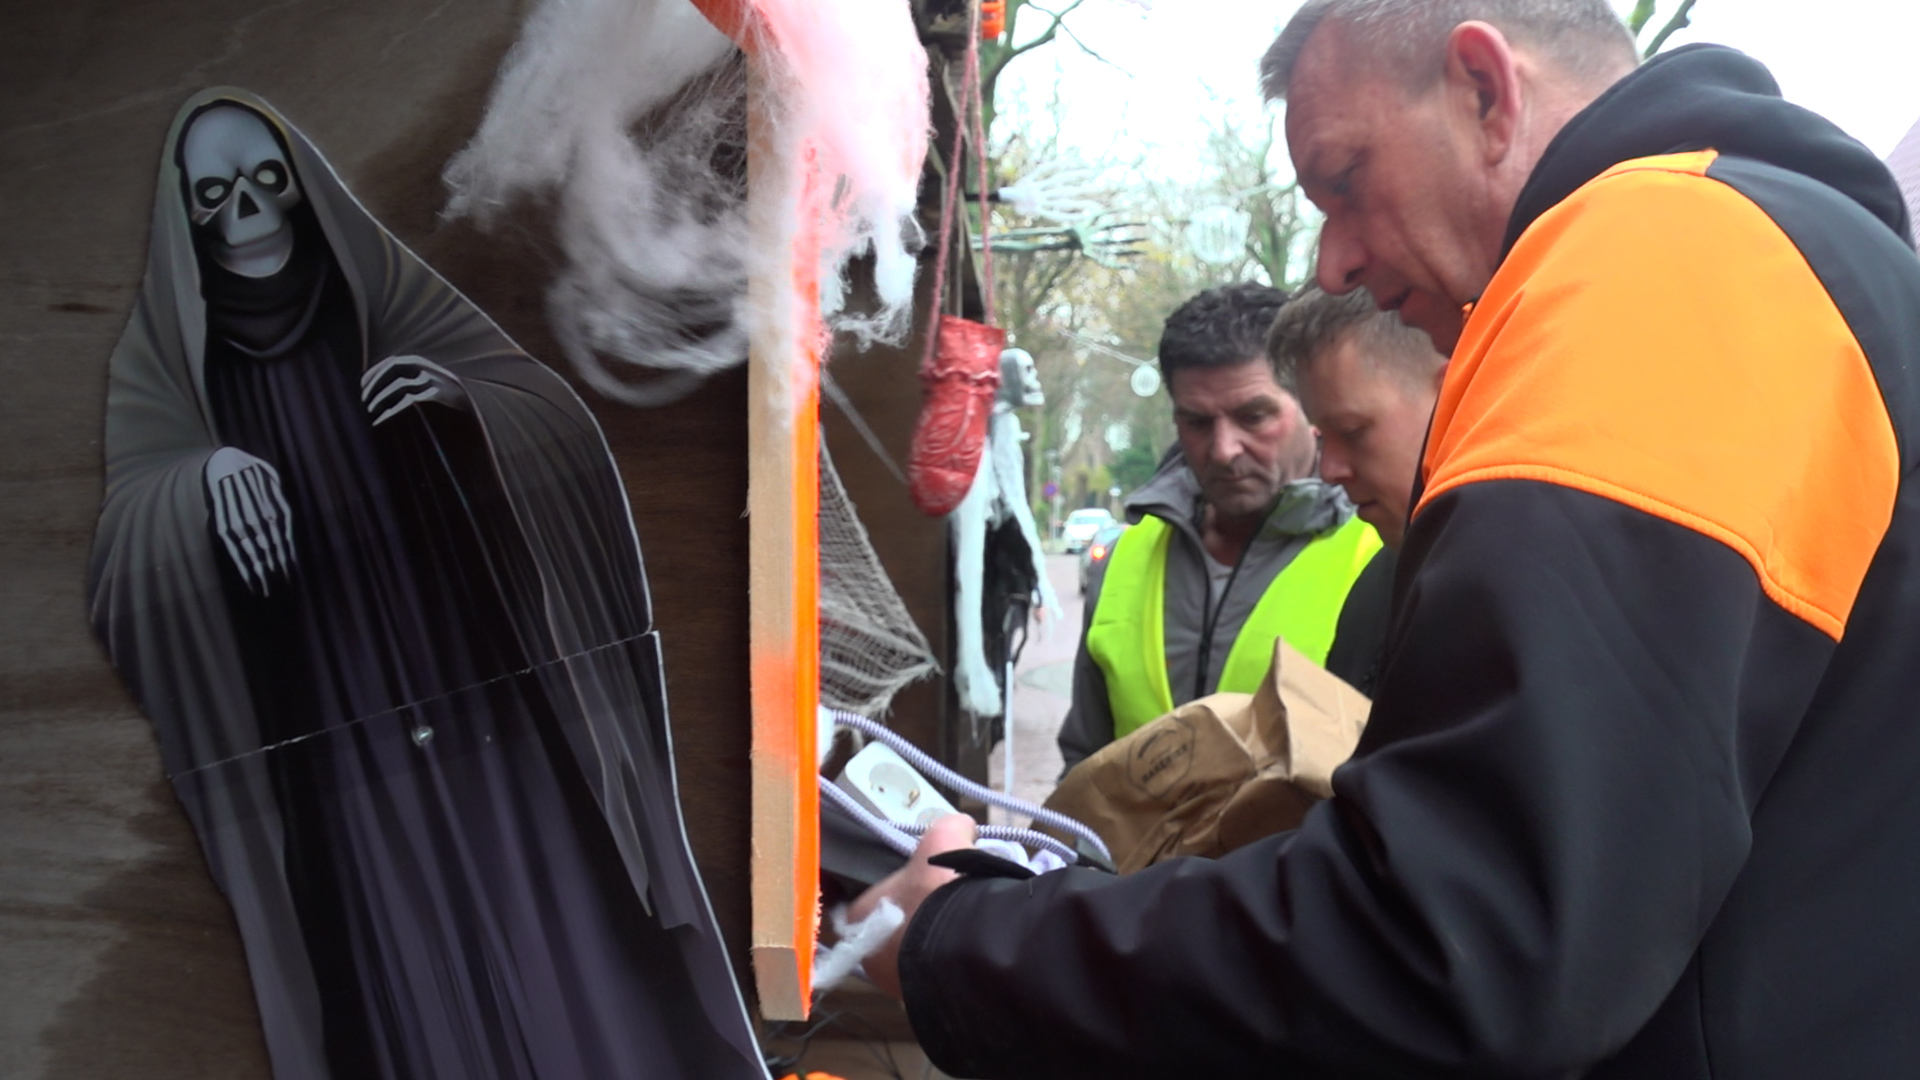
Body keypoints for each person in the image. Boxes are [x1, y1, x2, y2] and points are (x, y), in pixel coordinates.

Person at [853, 2, 1920, 1077]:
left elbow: (1456, 943)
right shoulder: (1788, 264)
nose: (1330, 264)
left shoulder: (1660, 264)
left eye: (1346, 180)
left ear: (1484, 92)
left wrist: (968, 939)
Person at [1054, 282, 1382, 772]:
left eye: (1253, 416)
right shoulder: (1123, 561)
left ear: (1311, 406)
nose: (1224, 449)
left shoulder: (1381, 555)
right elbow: (1085, 766)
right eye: (1197, 422)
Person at [1269, 283, 1450, 693]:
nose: (1329, 470)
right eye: (1322, 438)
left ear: (1452, 393)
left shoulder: (1534, 587)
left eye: (1352, 432)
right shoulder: (1376, 590)